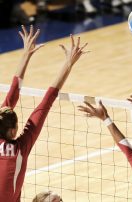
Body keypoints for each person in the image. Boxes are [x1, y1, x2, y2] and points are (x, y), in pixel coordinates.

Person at [0, 29, 88, 201]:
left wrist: (25, 55)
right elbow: (46, 101)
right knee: (51, 199)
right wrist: (68, 63)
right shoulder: (19, 149)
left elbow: (11, 97)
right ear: (12, 132)